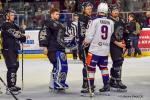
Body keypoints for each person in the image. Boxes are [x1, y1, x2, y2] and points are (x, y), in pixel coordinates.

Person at [81, 3, 114, 94]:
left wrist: (86, 42)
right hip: (105, 50)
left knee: (90, 68)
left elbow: (90, 35)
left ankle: (90, 87)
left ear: (98, 10)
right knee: (104, 68)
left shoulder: (94, 20)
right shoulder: (111, 22)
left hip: (94, 50)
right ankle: (106, 86)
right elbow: (110, 34)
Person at [39, 8, 69, 91]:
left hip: (61, 48)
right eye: (56, 14)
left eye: (58, 14)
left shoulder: (61, 24)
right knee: (57, 64)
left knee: (62, 66)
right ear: (51, 14)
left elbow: (65, 36)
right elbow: (43, 33)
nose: (58, 15)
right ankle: (55, 83)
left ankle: (57, 83)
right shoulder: (48, 22)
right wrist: (44, 46)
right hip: (52, 48)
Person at [1, 9, 27, 94]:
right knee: (12, 67)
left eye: (13, 15)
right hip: (8, 49)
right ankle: (10, 88)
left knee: (15, 66)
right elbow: (16, 34)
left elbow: (20, 34)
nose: (13, 16)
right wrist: (22, 35)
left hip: (14, 48)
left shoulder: (14, 25)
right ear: (7, 16)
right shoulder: (5, 25)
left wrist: (22, 30)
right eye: (11, 15)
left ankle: (12, 85)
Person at [109, 5, 127, 91]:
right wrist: (117, 43)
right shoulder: (108, 21)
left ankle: (112, 80)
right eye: (114, 10)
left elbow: (125, 32)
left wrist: (126, 44)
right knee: (118, 61)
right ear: (110, 11)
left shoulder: (122, 20)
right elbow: (109, 36)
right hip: (112, 44)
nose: (116, 12)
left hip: (120, 44)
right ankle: (118, 80)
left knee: (118, 62)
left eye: (117, 10)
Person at [77, 1, 94, 92]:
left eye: (91, 9)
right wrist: (84, 42)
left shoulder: (90, 17)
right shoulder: (82, 18)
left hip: (90, 45)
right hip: (84, 45)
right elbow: (82, 31)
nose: (90, 10)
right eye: (88, 9)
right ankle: (85, 83)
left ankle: (89, 82)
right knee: (86, 64)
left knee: (90, 64)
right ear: (83, 10)